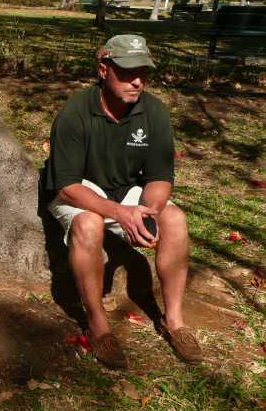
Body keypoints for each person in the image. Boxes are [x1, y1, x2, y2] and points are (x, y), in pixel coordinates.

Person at [44, 34, 201, 369]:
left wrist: (148, 212)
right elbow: (68, 186)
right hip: (79, 188)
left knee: (176, 219)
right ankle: (98, 325)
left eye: (143, 71)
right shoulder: (75, 112)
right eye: (128, 72)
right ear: (104, 70)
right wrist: (120, 214)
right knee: (88, 223)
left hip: (125, 188)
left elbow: (159, 176)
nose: (137, 80)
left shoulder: (154, 110)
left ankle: (175, 321)